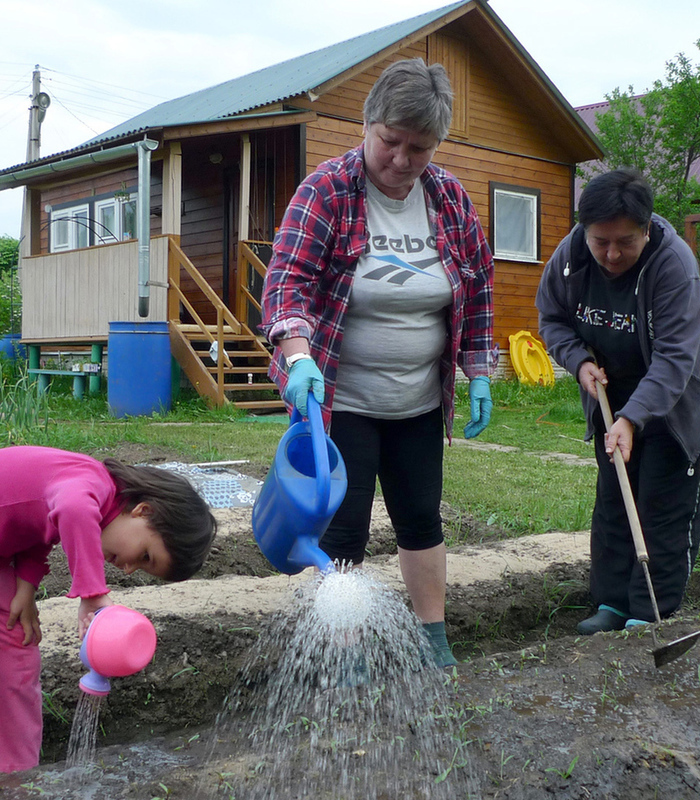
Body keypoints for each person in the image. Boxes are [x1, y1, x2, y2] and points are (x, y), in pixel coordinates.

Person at [261, 57, 497, 668]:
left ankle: (431, 637)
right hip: (341, 398)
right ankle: (342, 648)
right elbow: (288, 281)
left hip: (419, 399)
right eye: (390, 141)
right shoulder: (328, 191)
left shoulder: (448, 197)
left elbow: (477, 284)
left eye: (418, 148)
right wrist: (296, 351)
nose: (401, 159)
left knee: (422, 517)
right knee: (343, 532)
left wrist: (478, 369)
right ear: (368, 125)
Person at [0, 445, 217, 784]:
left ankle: (9, 783)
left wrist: (26, 586)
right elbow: (72, 509)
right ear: (143, 511)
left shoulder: (89, 497)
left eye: (145, 569)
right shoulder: (90, 483)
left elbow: (38, 524)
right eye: (146, 555)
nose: (131, 569)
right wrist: (92, 594)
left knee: (14, 671)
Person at [535, 168, 700, 635]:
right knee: (616, 500)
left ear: (646, 228)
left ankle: (648, 613)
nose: (612, 254)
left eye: (625, 242)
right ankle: (613, 604)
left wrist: (634, 418)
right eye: (601, 242)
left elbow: (676, 356)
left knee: (662, 502)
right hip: (610, 396)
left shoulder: (674, 264)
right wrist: (578, 362)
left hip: (677, 398)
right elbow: (552, 319)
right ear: (585, 230)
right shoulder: (571, 256)